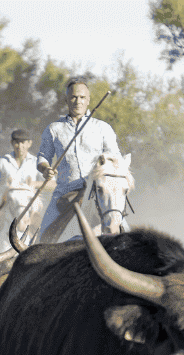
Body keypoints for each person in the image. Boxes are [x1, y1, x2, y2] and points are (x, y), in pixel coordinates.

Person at [35, 77, 121, 243]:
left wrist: (105, 163)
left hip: (97, 193)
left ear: (88, 100)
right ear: (66, 99)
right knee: (43, 239)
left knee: (124, 233)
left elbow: (115, 159)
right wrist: (45, 169)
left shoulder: (103, 128)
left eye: (82, 97)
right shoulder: (54, 128)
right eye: (74, 97)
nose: (78, 101)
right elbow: (43, 157)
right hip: (64, 193)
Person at [0, 129, 44, 245]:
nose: (19, 146)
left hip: (30, 205)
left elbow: (53, 184)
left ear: (29, 143)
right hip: (6, 203)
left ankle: (41, 248)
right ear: (12, 143)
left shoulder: (37, 163)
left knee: (43, 229)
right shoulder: (2, 162)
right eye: (16, 142)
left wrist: (35, 184)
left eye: (23, 142)